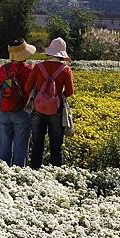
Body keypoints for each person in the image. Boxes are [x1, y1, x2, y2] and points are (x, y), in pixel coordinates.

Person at [24, 37, 75, 169]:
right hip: (56, 111)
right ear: (62, 54)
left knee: (37, 143)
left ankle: (35, 171)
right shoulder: (65, 69)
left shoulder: (38, 67)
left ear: (50, 52)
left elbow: (27, 87)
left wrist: (40, 95)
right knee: (56, 144)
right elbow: (70, 91)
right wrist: (56, 97)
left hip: (38, 109)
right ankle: (56, 173)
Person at [0, 39, 36, 167]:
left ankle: (2, 171)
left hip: (4, 111)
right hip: (22, 111)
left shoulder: (3, 69)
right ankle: (18, 173)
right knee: (21, 145)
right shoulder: (30, 70)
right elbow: (32, 92)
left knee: (4, 145)